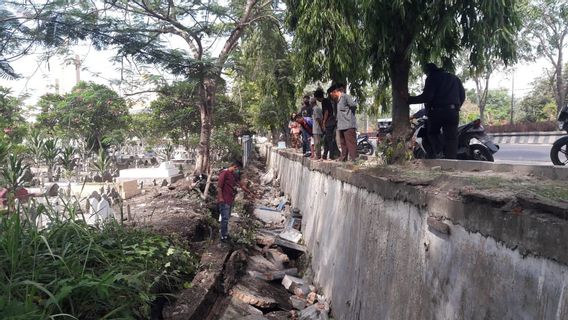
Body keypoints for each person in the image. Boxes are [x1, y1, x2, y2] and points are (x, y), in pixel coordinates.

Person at [405, 63, 465, 159]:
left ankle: (439, 151)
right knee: (452, 138)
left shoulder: (432, 77)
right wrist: (455, 107)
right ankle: (451, 161)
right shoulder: (454, 78)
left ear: (428, 71)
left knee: (432, 133)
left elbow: (427, 97)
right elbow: (462, 95)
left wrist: (409, 100)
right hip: (453, 112)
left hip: (437, 112)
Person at [217, 160, 253, 242]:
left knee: (227, 218)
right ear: (232, 165)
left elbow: (240, 184)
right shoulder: (224, 173)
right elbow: (219, 187)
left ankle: (225, 234)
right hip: (224, 200)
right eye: (235, 168)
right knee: (225, 218)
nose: (236, 169)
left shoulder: (233, 175)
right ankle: (223, 236)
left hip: (230, 199)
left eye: (237, 168)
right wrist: (221, 198)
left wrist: (248, 192)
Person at [330, 84, 358, 162]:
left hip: (348, 124)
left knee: (351, 143)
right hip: (341, 125)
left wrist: (349, 115)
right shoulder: (338, 101)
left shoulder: (345, 97)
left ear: (335, 92)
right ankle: (343, 158)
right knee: (343, 143)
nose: (331, 97)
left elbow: (353, 105)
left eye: (331, 95)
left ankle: (355, 159)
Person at [315, 87, 340, 160]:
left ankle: (331, 156)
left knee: (329, 139)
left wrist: (323, 122)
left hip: (329, 122)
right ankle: (325, 155)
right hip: (331, 121)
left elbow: (326, 112)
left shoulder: (324, 101)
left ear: (318, 97)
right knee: (326, 140)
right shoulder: (327, 100)